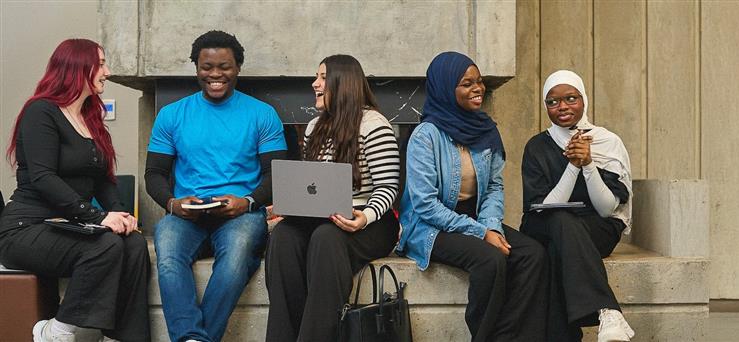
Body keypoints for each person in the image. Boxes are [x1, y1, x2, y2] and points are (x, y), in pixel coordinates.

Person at [0, 39, 149, 342]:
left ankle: (124, 337)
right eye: (101, 64)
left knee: (133, 243)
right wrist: (99, 217)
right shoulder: (40, 112)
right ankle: (57, 331)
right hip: (26, 228)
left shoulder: (90, 118)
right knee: (104, 245)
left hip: (68, 226)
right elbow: (43, 177)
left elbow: (104, 180)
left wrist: (120, 215)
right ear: (78, 67)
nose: (107, 72)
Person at [144, 30, 287, 342]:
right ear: (196, 68)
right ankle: (193, 338)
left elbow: (277, 175)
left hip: (241, 214)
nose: (215, 75)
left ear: (238, 68)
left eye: (224, 67)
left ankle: (193, 339)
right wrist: (173, 204)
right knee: (167, 251)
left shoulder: (262, 115)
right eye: (207, 67)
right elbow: (154, 174)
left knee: (237, 256)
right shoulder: (172, 115)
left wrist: (248, 202)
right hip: (187, 215)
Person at [396, 51, 548, 342]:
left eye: (479, 82)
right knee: (489, 259)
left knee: (533, 254)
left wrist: (491, 226)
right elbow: (425, 204)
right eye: (467, 84)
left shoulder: (485, 130)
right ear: (445, 88)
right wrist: (481, 233)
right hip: (429, 226)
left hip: (475, 218)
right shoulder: (425, 136)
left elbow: (493, 187)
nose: (478, 89)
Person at [265, 54, 401, 342]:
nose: (315, 84)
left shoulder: (374, 125)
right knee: (284, 236)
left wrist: (364, 217)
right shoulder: (314, 127)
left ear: (344, 83)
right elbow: (313, 186)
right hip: (324, 218)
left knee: (326, 237)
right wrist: (293, 206)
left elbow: (389, 187)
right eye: (317, 77)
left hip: (371, 220)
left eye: (323, 78)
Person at [519, 70, 635, 342]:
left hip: (596, 227)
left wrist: (589, 164)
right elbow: (545, 207)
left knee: (556, 251)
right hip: (546, 222)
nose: (562, 107)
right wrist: (573, 166)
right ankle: (607, 310)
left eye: (571, 98)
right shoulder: (537, 146)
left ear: (584, 99)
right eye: (552, 102)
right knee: (561, 221)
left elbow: (606, 210)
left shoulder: (608, 142)